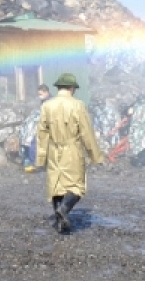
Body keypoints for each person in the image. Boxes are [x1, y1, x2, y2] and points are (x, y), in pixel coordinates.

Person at [36, 73, 104, 234]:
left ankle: (61, 223)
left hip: (53, 150)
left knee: (56, 186)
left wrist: (40, 158)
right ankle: (64, 210)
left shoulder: (47, 105)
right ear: (72, 88)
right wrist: (96, 155)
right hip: (72, 149)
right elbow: (87, 132)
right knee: (77, 186)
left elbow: (41, 133)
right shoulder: (77, 105)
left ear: (58, 87)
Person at [18, 84, 51, 172]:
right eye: (38, 94)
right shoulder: (44, 101)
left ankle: (35, 164)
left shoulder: (51, 102)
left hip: (48, 127)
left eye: (40, 94)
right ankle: (34, 162)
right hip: (44, 125)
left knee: (34, 142)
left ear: (46, 92)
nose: (39, 96)